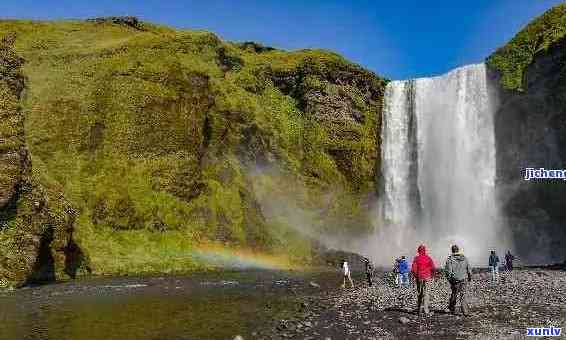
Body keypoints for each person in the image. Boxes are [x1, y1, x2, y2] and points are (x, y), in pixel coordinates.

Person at [444, 245, 472, 316]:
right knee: (463, 295)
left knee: (454, 294)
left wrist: (449, 279)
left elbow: (448, 271)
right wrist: (469, 277)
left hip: (455, 280)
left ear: (452, 250)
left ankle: (452, 308)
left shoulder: (450, 259)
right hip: (464, 279)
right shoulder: (464, 258)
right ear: (458, 250)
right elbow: (469, 269)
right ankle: (465, 312)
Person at [411, 245, 436, 316]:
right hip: (427, 277)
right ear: (425, 250)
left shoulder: (416, 258)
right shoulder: (428, 258)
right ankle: (426, 310)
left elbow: (413, 269)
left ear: (418, 251)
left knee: (420, 293)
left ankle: (419, 310)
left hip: (419, 277)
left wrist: (416, 276)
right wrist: (432, 276)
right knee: (427, 293)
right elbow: (433, 268)